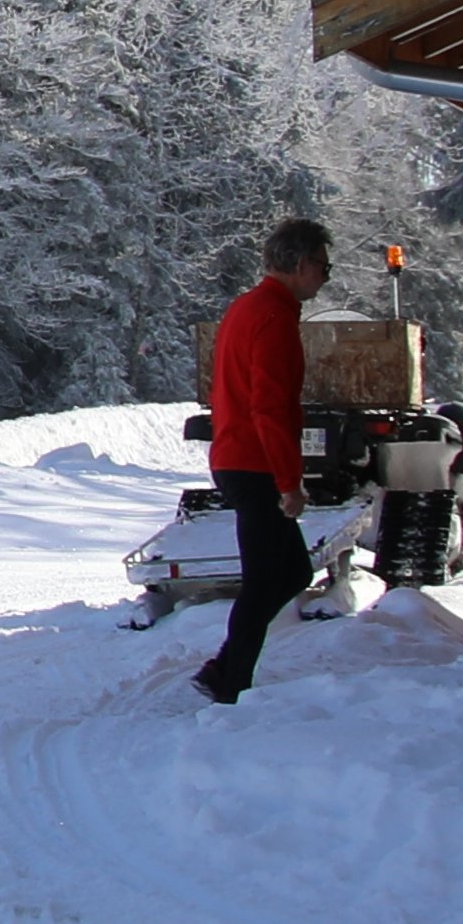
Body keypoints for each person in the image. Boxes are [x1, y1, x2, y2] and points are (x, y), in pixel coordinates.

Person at [195, 215, 333, 707]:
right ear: (298, 264)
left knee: (292, 570)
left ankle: (226, 671)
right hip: (251, 461)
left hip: (236, 455)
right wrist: (288, 481)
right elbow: (270, 407)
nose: (325, 276)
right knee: (265, 578)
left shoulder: (248, 308)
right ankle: (228, 681)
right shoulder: (273, 318)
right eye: (323, 266)